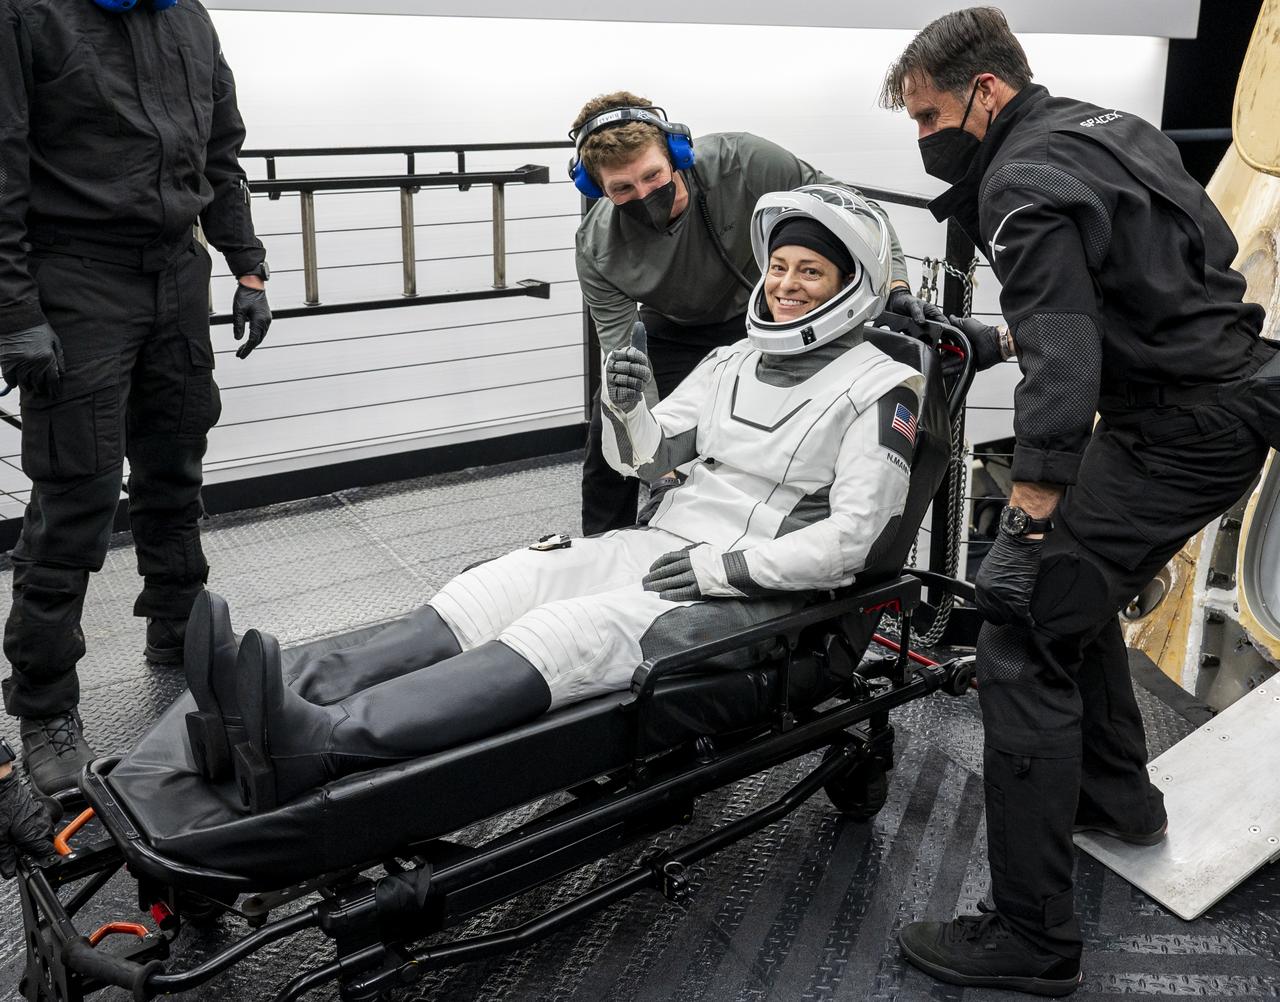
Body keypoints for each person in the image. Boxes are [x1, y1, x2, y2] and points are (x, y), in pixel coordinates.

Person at [178, 186, 927, 815]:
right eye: (781, 266)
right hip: (663, 547)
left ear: (851, 287)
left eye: (812, 272)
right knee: (509, 582)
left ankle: (321, 741)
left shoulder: (881, 389)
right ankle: (276, 697)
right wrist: (626, 406)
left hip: (757, 593)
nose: (787, 284)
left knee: (571, 631)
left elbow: (852, 542)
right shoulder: (735, 358)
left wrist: (721, 572)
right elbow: (649, 457)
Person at [879, 7, 1277, 997]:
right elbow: (1197, 261)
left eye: (927, 116)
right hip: (1220, 398)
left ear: (984, 93)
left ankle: (1030, 937)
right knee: (1071, 597)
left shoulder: (1018, 180)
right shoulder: (1109, 129)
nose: (922, 140)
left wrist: (1027, 511)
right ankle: (1119, 802)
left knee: (1018, 632)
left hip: (1172, 434)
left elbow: (1058, 357)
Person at [0, 0, 272, 797]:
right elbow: (3, 162)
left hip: (175, 272)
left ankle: (176, 625)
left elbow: (220, 150)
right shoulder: (26, 13)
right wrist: (15, 312)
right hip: (77, 274)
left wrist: (246, 265)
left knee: (175, 457)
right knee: (76, 493)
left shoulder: (187, 16)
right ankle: (44, 707)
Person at [571, 91, 938, 536]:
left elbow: (853, 208)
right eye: (622, 189)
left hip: (764, 319)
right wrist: (654, 467)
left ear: (675, 155)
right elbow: (624, 355)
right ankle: (598, 548)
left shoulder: (743, 161)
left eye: (652, 175)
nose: (645, 194)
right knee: (609, 433)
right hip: (672, 329)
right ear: (598, 190)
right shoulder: (596, 246)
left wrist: (896, 287)